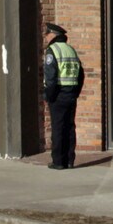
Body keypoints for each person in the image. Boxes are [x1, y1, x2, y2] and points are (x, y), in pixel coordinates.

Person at [42, 24, 83, 169]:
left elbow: (51, 77)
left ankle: (58, 162)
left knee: (58, 128)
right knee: (70, 127)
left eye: (47, 33)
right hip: (71, 94)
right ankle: (70, 160)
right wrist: (76, 92)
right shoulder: (71, 50)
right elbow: (81, 74)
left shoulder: (52, 50)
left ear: (53, 34)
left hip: (58, 95)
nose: (45, 36)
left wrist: (49, 95)